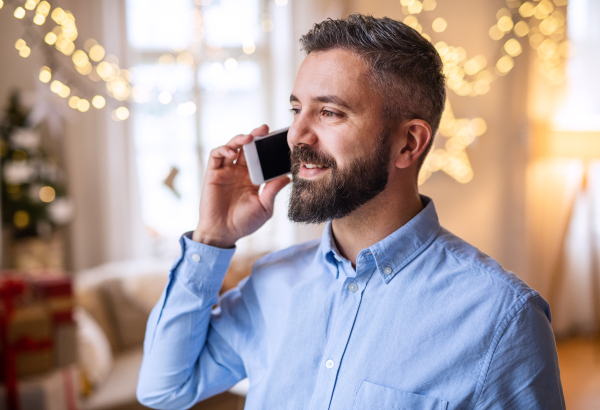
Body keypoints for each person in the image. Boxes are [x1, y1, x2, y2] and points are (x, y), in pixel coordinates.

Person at [136, 14, 565, 409]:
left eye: (329, 112)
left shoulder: (502, 318)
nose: (296, 135)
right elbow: (164, 388)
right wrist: (212, 237)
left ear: (408, 144)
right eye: (296, 110)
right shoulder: (272, 284)